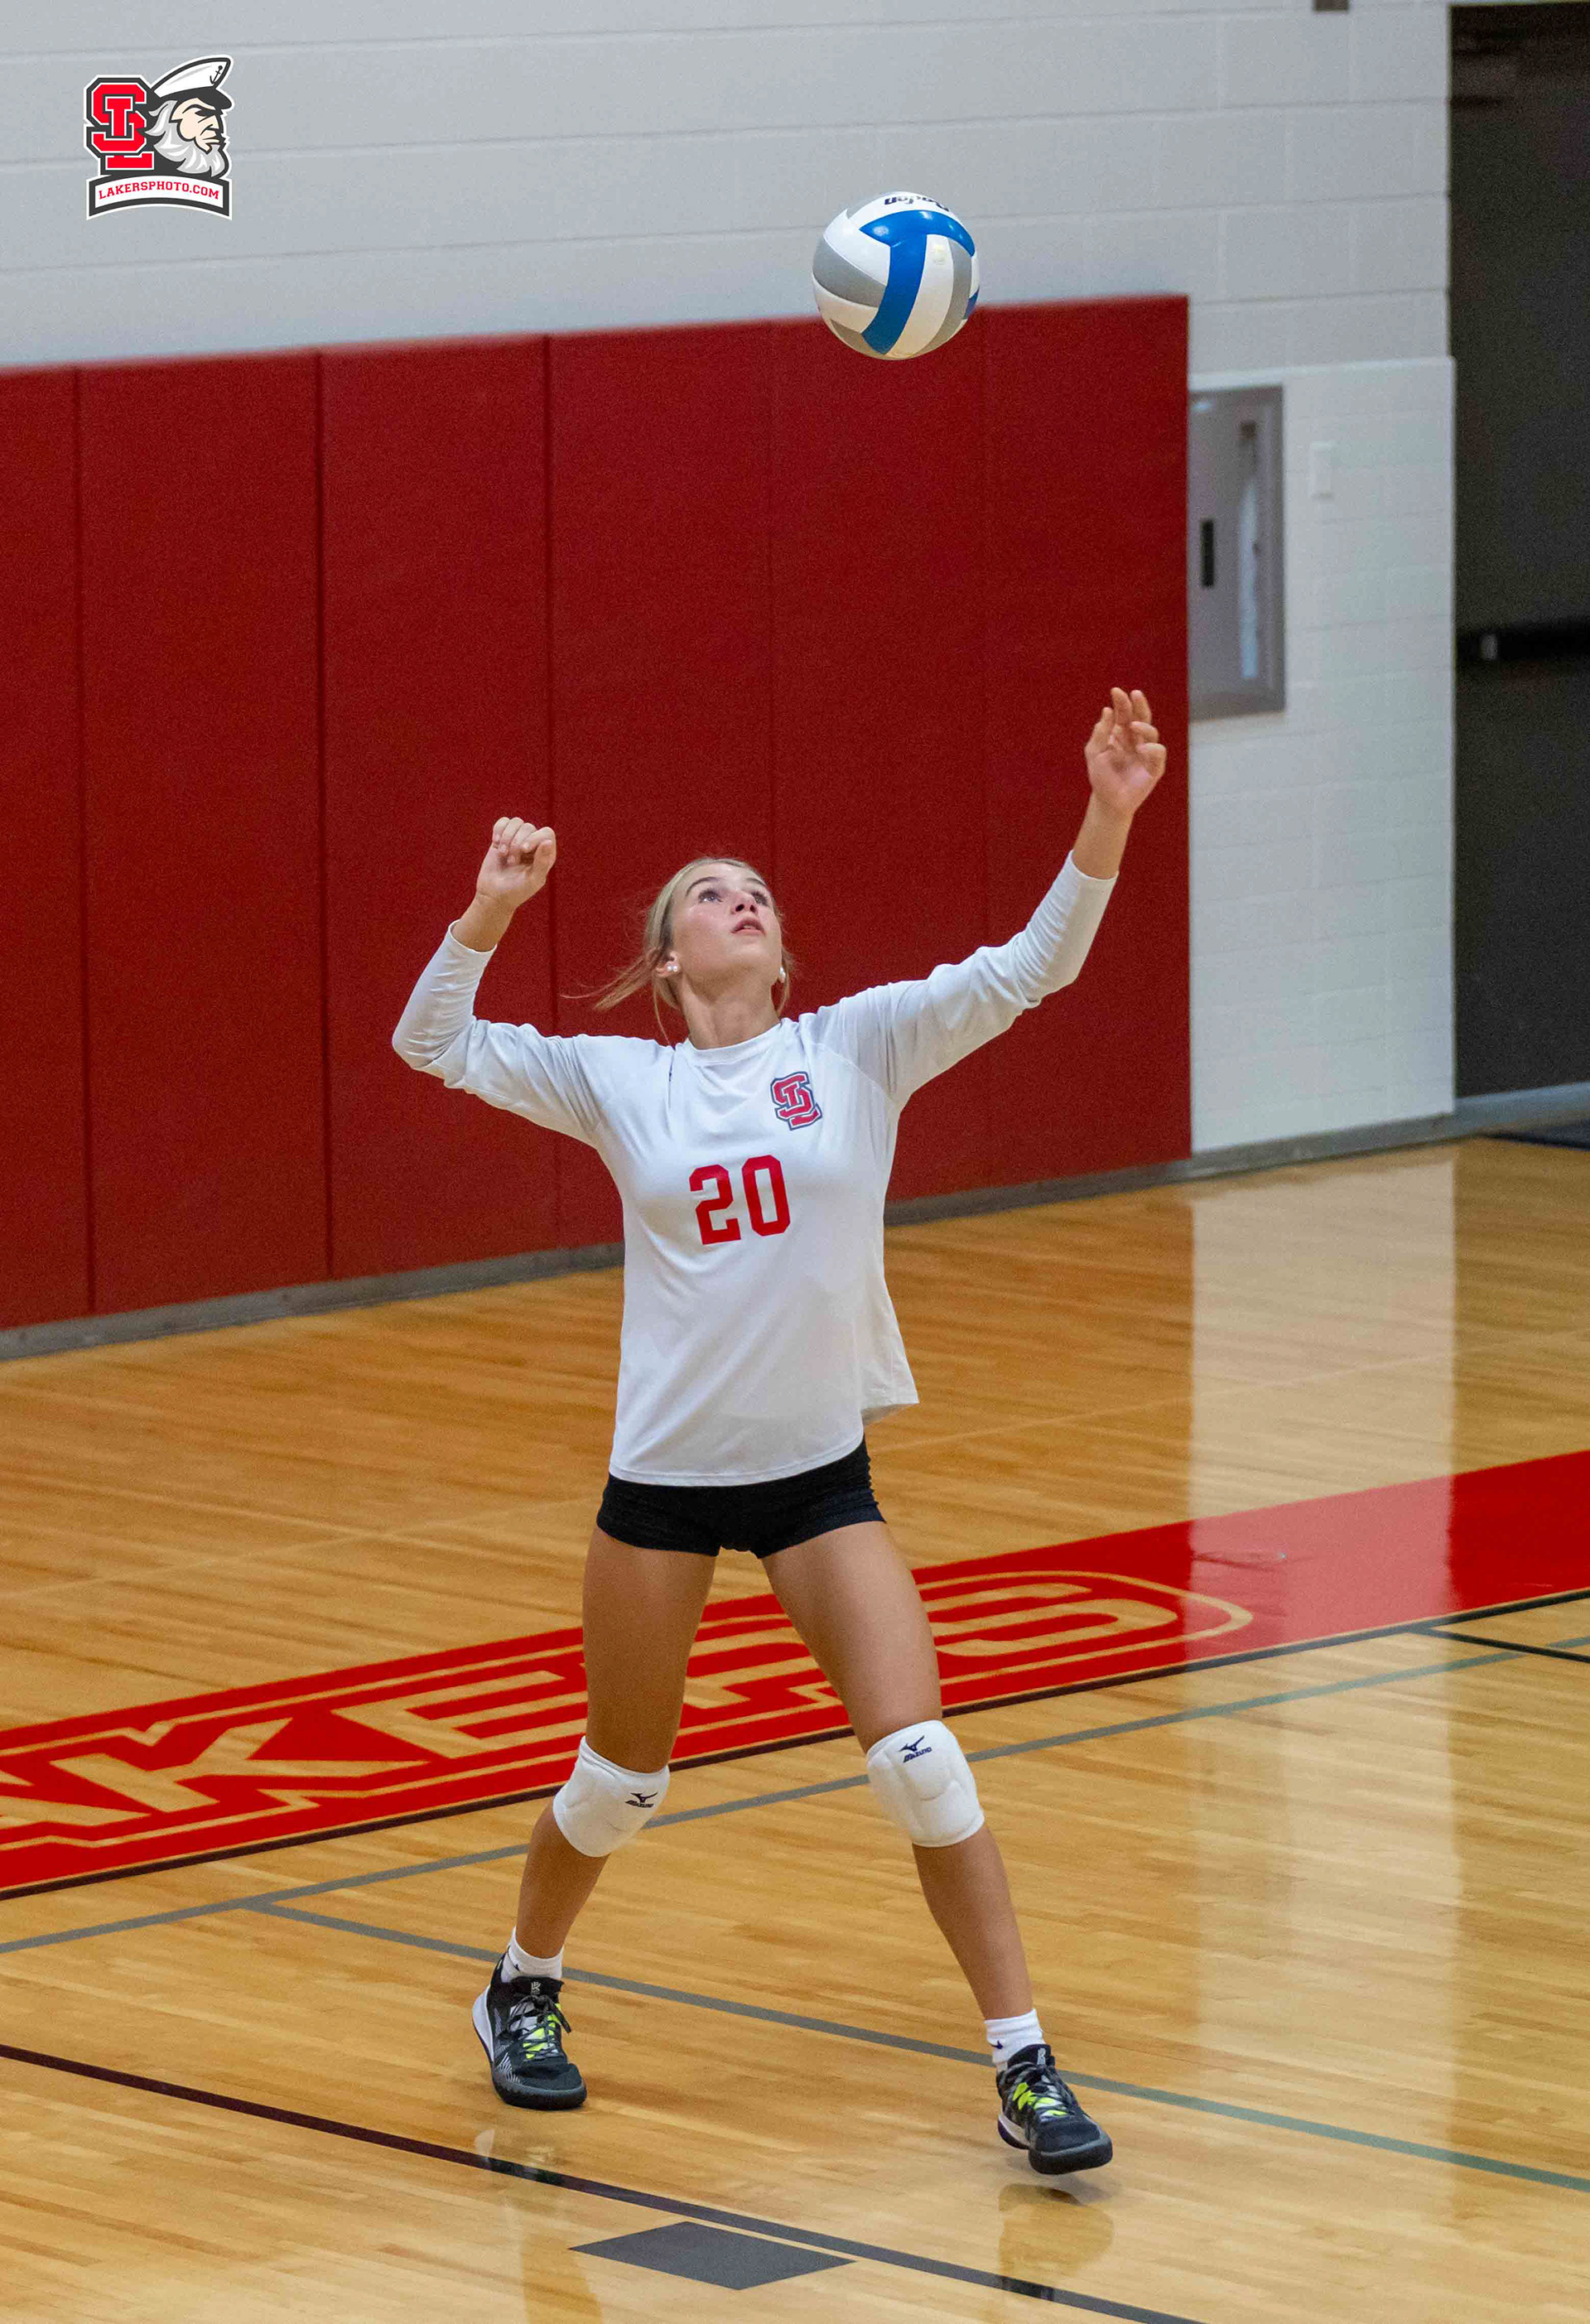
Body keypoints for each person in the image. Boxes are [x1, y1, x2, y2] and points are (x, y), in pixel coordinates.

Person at [393, 686, 1168, 2175]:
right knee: (620, 1779)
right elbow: (430, 1039)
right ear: (667, 960)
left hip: (819, 1481)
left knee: (923, 1760)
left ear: (782, 951)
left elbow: (1036, 965)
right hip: (665, 1485)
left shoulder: (858, 1047)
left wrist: (1107, 813)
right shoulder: (623, 1080)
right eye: (708, 895)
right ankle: (520, 1985)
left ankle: (1023, 2063)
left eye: (755, 891)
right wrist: (490, 906)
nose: (738, 899)